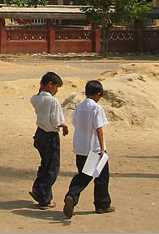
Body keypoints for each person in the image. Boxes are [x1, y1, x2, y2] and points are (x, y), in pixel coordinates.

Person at [63, 80, 115, 218]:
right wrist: (103, 148)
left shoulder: (79, 107)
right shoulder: (96, 108)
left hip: (80, 147)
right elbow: (99, 128)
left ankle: (73, 197)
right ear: (98, 94)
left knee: (83, 174)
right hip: (94, 148)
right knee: (100, 177)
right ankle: (101, 204)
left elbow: (75, 122)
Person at [29, 71, 68, 210]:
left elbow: (36, 96)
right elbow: (56, 120)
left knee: (45, 164)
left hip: (39, 134)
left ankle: (37, 188)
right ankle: (44, 198)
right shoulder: (53, 101)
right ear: (50, 85)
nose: (56, 91)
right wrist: (64, 126)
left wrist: (41, 88)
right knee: (52, 168)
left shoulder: (35, 99)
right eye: (56, 87)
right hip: (50, 136)